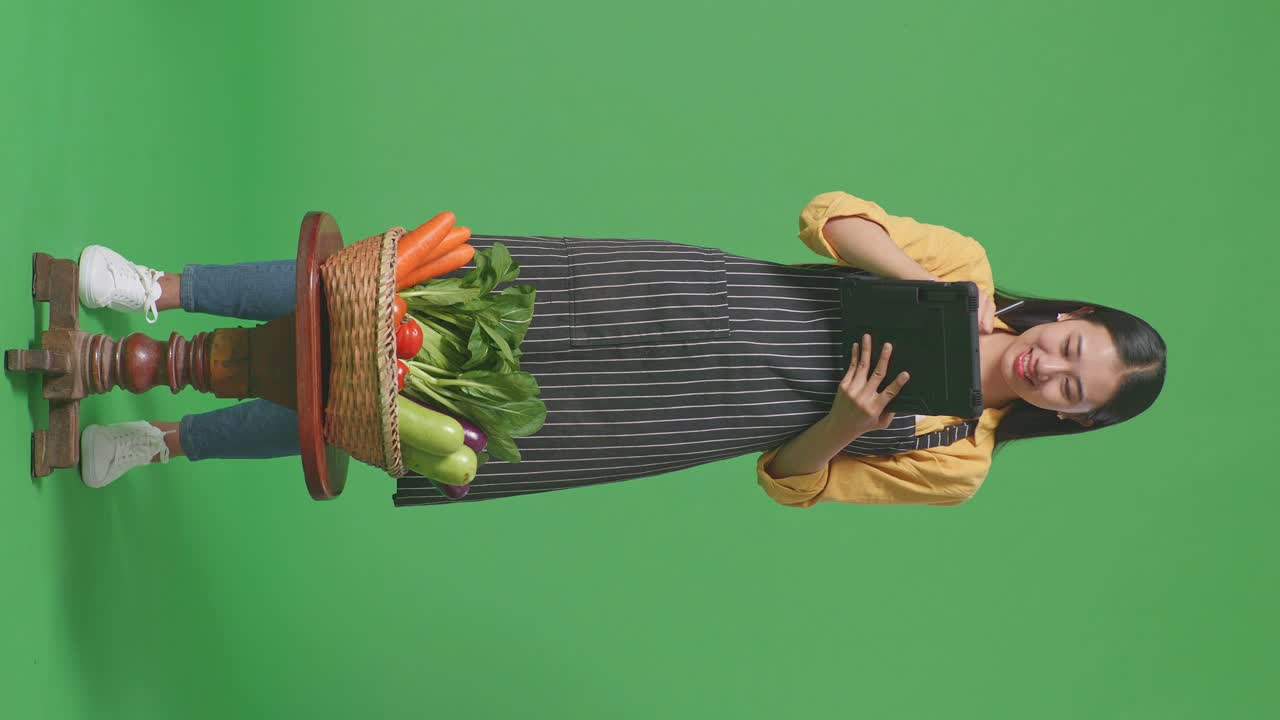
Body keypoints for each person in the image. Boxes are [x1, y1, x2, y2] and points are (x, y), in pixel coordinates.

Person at [77, 192, 1167, 508]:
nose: (1049, 367)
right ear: (1059, 317)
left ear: (1069, 414)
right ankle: (158, 289)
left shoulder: (957, 457)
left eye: (1072, 387)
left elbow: (788, 483)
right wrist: (923, 289)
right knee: (414, 293)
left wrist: (841, 424)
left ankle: (165, 442)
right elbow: (830, 217)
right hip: (681, 298)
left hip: (667, 419)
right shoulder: (964, 268)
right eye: (1067, 344)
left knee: (392, 411)